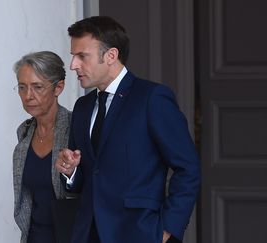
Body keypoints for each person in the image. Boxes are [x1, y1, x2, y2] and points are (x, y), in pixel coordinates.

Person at [54, 16, 201, 243]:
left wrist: (168, 230)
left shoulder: (152, 98)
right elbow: (90, 175)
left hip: (139, 232)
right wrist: (71, 171)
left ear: (111, 55)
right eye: (74, 56)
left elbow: (188, 167)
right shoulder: (82, 107)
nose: (73, 64)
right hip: (86, 234)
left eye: (82, 56)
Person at [12, 51, 73, 243]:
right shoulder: (24, 132)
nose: (28, 96)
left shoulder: (76, 128)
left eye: (37, 87)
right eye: (22, 87)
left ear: (58, 88)